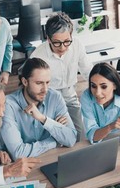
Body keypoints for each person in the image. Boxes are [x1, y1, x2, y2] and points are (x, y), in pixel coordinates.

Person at [30, 12, 92, 141]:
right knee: (57, 136)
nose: (63, 47)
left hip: (69, 94)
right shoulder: (38, 56)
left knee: (78, 136)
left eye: (67, 41)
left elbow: (88, 71)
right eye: (57, 43)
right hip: (48, 98)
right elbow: (32, 89)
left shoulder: (77, 45)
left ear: (71, 36)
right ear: (48, 39)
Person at [0, 57, 77, 160]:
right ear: (25, 82)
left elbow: (71, 138)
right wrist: (55, 140)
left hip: (50, 158)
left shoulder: (55, 97)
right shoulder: (8, 105)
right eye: (39, 83)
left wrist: (43, 119)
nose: (45, 89)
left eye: (47, 82)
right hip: (23, 168)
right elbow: (18, 153)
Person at [80, 62, 120, 145]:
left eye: (103, 87)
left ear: (115, 85)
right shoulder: (86, 96)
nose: (97, 93)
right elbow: (93, 137)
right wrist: (111, 126)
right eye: (93, 86)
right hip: (102, 144)